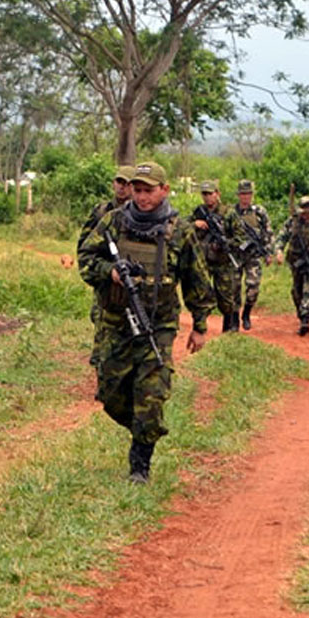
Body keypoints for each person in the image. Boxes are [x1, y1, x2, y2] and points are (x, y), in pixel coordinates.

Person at [78, 162, 213, 484]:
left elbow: (197, 279)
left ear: (164, 190)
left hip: (158, 326)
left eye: (148, 190)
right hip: (115, 323)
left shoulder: (180, 230)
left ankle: (141, 462)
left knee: (151, 396)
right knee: (110, 394)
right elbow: (85, 259)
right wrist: (108, 272)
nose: (141, 197)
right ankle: (140, 426)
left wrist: (200, 324)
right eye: (137, 190)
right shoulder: (113, 221)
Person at [78, 165, 134, 373]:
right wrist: (101, 269)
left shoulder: (139, 212)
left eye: (127, 184)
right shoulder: (102, 211)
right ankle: (102, 363)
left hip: (131, 274)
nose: (122, 188)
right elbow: (85, 244)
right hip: (106, 276)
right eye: (119, 182)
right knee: (101, 316)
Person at [190, 180, 242, 332]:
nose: (207, 197)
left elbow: (240, 237)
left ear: (217, 194)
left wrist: (225, 244)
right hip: (204, 261)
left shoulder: (228, 213)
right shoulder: (199, 211)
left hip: (223, 262)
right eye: (204, 194)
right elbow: (183, 225)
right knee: (201, 294)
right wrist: (195, 224)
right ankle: (199, 327)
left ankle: (230, 328)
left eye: (210, 194)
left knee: (225, 298)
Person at [274, 195, 309, 335]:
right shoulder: (293, 222)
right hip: (296, 262)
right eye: (304, 212)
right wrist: (279, 251)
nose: (306, 215)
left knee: (308, 290)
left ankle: (305, 319)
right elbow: (282, 237)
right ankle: (302, 314)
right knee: (296, 292)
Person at [230, 179, 274, 331]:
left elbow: (268, 232)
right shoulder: (232, 213)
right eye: (243, 194)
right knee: (233, 289)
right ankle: (234, 319)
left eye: (248, 194)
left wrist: (268, 252)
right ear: (238, 195)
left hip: (253, 256)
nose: (246, 197)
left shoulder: (259, 212)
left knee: (253, 288)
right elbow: (225, 232)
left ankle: (246, 314)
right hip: (235, 256)